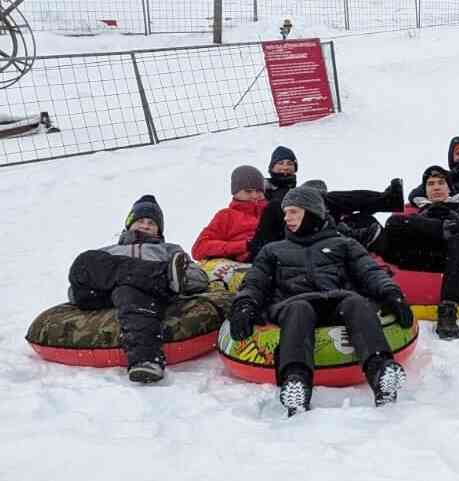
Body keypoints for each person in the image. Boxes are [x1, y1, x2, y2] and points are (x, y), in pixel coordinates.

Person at [227, 183, 414, 416]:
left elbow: (370, 272)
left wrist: (391, 293)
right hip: (292, 302)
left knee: (356, 303)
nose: (286, 218)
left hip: (338, 299)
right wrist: (244, 305)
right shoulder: (273, 250)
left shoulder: (344, 243)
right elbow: (255, 282)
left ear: (311, 212)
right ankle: (296, 382)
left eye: (293, 212)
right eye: (285, 213)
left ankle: (381, 372)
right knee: (300, 310)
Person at [66, 195, 210, 383]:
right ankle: (161, 275)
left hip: (144, 295)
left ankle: (147, 360)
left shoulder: (169, 249)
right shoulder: (107, 251)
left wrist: (182, 279)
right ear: (129, 224)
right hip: (103, 294)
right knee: (85, 260)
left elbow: (199, 278)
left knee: (129, 289)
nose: (145, 225)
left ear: (159, 229)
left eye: (152, 223)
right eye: (140, 221)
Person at [361, 165, 459, 341]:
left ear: (449, 188)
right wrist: (436, 226)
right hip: (425, 255)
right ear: (425, 190)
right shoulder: (419, 212)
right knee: (394, 222)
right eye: (431, 184)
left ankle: (448, 311)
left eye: (441, 183)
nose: (436, 187)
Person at [247, 146, 404, 257]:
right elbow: (262, 215)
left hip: (306, 226)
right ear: (271, 167)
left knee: (363, 219)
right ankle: (386, 201)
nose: (285, 167)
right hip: (284, 234)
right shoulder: (262, 189)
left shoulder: (290, 189)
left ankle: (391, 250)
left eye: (290, 163)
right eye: (280, 163)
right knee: (327, 198)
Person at [193, 165, 267, 262]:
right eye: (248, 191)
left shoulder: (271, 212)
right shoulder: (226, 216)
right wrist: (245, 245)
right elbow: (199, 249)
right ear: (235, 193)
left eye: (258, 191)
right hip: (244, 260)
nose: (254, 195)